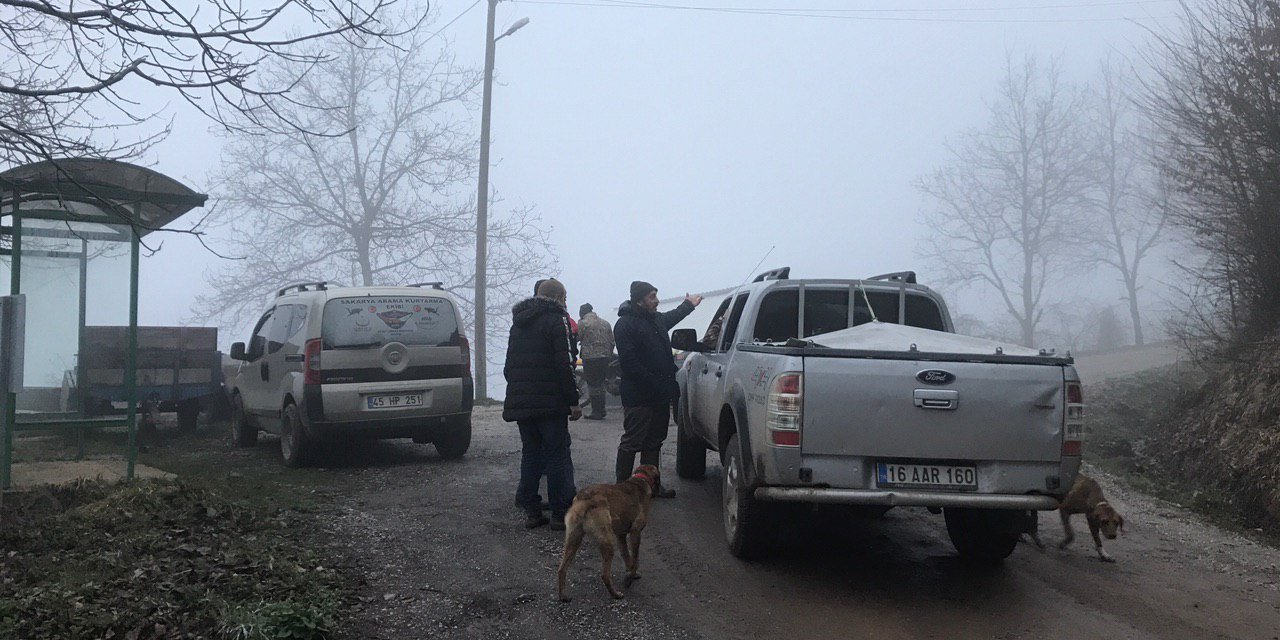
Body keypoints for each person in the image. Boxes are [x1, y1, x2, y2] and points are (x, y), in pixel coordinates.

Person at [503, 278, 582, 530]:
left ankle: (532, 511)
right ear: (558, 298)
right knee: (556, 457)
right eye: (565, 297)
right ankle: (560, 514)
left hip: (522, 403)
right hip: (550, 405)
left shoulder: (518, 324)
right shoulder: (556, 320)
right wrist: (573, 400)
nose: (566, 302)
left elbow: (508, 368)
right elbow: (565, 365)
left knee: (530, 455)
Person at [613, 280, 702, 497]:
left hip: (660, 395)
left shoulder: (656, 320)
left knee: (654, 442)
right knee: (632, 441)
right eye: (652, 296)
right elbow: (629, 362)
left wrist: (689, 304)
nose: (657, 300)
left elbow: (674, 315)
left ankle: (651, 486)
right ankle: (621, 490)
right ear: (639, 300)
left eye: (656, 295)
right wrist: (653, 382)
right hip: (639, 395)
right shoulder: (625, 324)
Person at [577, 303, 615, 420]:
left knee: (593, 384)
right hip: (605, 357)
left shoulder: (583, 323)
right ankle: (601, 409)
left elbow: (578, 337)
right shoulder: (605, 323)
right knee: (600, 382)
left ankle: (597, 411)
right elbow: (612, 341)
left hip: (590, 358)